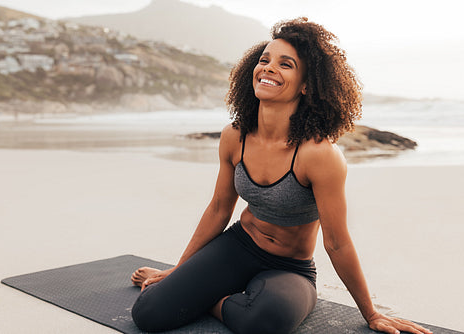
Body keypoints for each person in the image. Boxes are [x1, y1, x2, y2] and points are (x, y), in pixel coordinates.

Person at [130, 17, 432, 334]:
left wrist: (371, 314)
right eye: (264, 60)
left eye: (285, 64)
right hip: (238, 246)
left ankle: (210, 298)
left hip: (290, 268)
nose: (269, 68)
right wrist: (180, 270)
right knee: (148, 313)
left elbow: (337, 243)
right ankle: (205, 290)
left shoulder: (319, 155)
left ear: (305, 85)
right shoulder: (234, 136)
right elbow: (219, 208)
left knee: (264, 322)